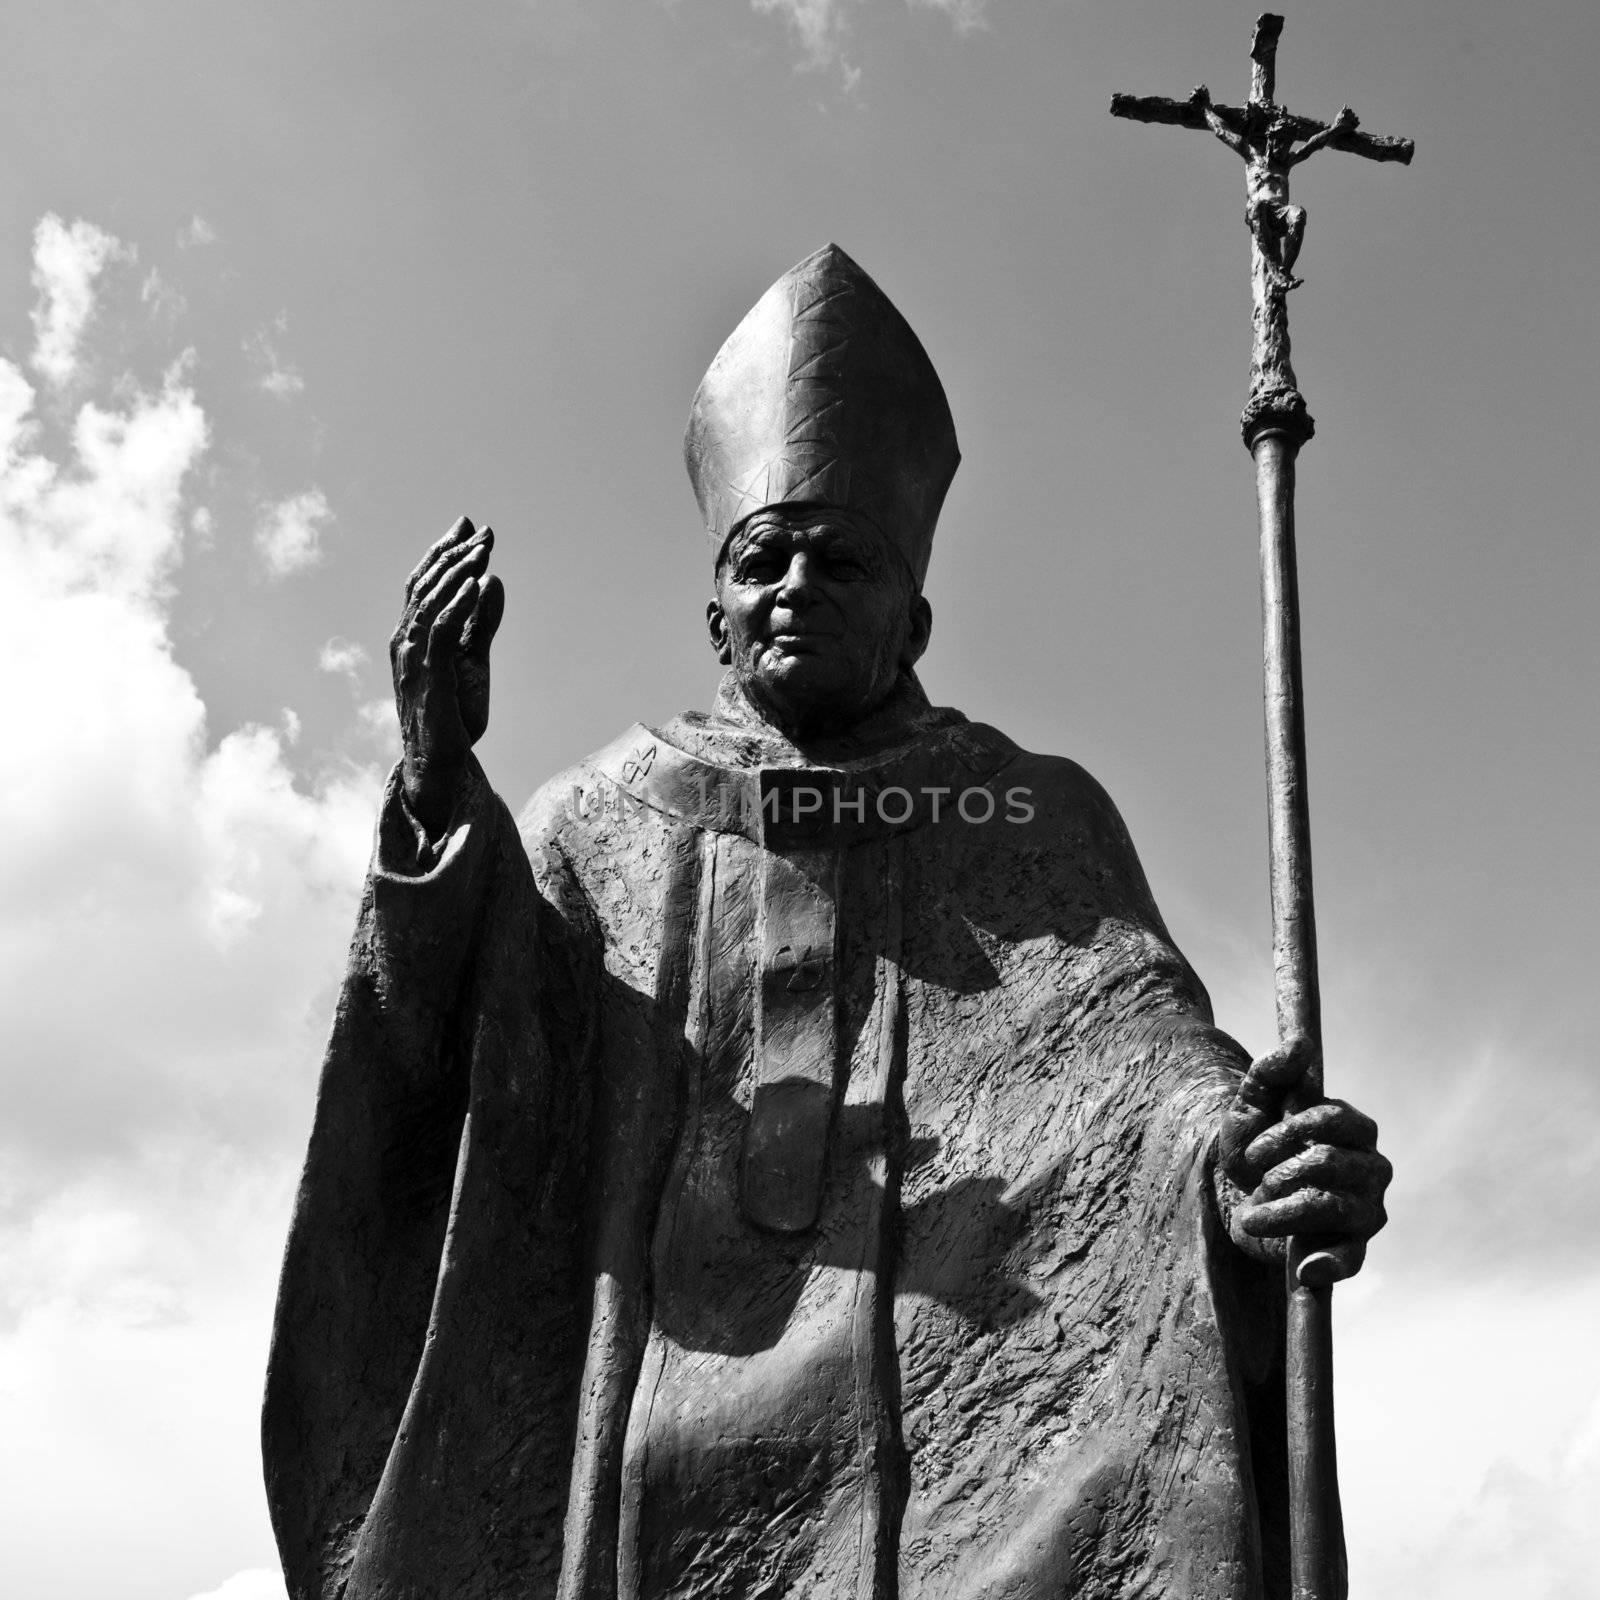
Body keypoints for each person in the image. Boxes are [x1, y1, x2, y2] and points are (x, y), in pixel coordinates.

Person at [263, 245, 1389, 1600]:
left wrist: (1241, 1166)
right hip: (642, 1467)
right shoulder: (593, 825)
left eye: (838, 559)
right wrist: (438, 790)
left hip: (964, 1458)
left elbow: (1144, 1065)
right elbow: (463, 1066)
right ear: (717, 622)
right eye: (763, 560)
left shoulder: (1026, 817)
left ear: (914, 617)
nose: (795, 583)